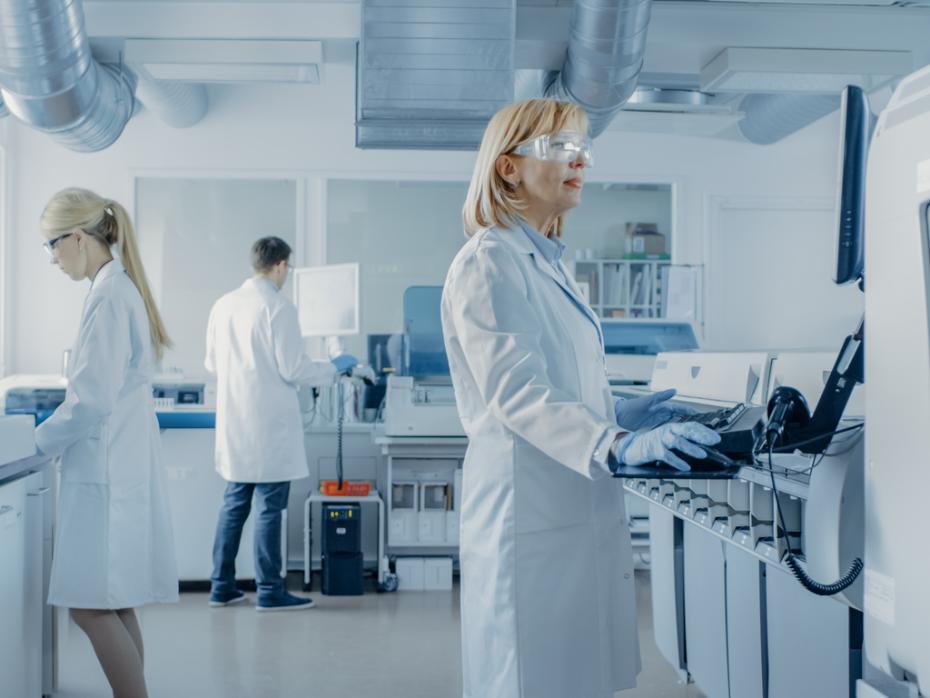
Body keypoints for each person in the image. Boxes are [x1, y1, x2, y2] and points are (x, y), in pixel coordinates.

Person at [441, 99, 721, 698]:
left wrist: (618, 411)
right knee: (530, 678)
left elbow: (559, 383)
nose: (582, 160)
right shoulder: (490, 262)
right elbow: (517, 393)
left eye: (583, 148)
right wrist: (617, 443)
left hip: (570, 508)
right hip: (529, 517)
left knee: (573, 676)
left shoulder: (551, 266)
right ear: (509, 168)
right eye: (561, 148)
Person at [37, 188, 178, 698]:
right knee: (113, 604)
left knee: (90, 607)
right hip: (117, 463)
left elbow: (91, 399)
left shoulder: (109, 295)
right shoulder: (115, 288)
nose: (51, 257)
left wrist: (39, 441)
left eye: (52, 245)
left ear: (78, 237)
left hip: (109, 471)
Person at [205, 236, 358, 611]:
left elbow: (211, 364)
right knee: (269, 509)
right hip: (268, 427)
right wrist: (335, 368)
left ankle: (221, 587)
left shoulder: (223, 305)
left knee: (234, 505)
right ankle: (271, 592)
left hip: (235, 425)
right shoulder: (278, 307)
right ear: (281, 265)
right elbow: (294, 368)